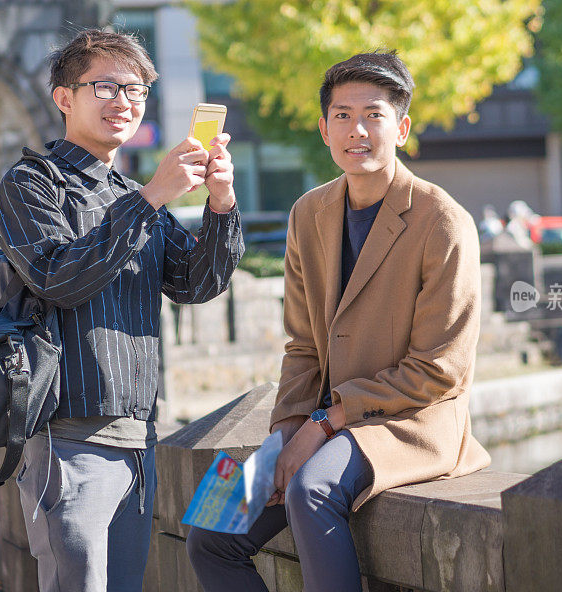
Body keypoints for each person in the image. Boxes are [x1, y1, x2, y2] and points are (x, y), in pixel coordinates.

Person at [187, 50, 490, 592]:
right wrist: (286, 434)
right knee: (207, 525)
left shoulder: (444, 220)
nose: (358, 130)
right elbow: (301, 344)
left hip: (408, 419)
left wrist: (323, 425)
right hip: (319, 421)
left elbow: (439, 370)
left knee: (311, 488)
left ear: (402, 127)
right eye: (343, 116)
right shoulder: (308, 212)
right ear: (324, 129)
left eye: (374, 115)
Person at [0, 29, 243, 592]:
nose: (123, 102)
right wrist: (153, 195)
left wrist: (221, 205)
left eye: (136, 90)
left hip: (139, 437)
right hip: (68, 435)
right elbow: (59, 278)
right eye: (104, 86)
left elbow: (197, 283)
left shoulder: (131, 193)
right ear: (64, 98)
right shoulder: (32, 184)